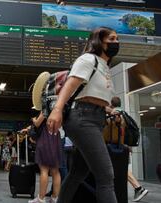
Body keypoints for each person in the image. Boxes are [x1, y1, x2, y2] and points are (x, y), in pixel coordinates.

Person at [47, 26, 120, 203]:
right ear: (98, 41)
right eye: (111, 39)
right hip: (82, 118)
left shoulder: (105, 66)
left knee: (77, 173)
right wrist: (57, 110)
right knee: (106, 176)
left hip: (95, 118)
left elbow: (96, 96)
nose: (116, 42)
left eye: (117, 39)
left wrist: (110, 110)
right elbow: (70, 86)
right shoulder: (88, 59)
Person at [109, 96, 149, 202]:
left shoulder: (115, 113)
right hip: (124, 146)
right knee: (121, 169)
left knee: (122, 169)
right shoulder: (123, 112)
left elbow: (118, 131)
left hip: (118, 146)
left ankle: (138, 188)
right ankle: (138, 188)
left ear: (111, 103)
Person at [29, 112, 61, 203]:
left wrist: (34, 120)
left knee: (44, 170)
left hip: (45, 138)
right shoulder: (62, 107)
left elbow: (38, 123)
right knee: (55, 171)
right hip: (56, 138)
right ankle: (55, 198)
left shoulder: (47, 105)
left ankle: (41, 198)